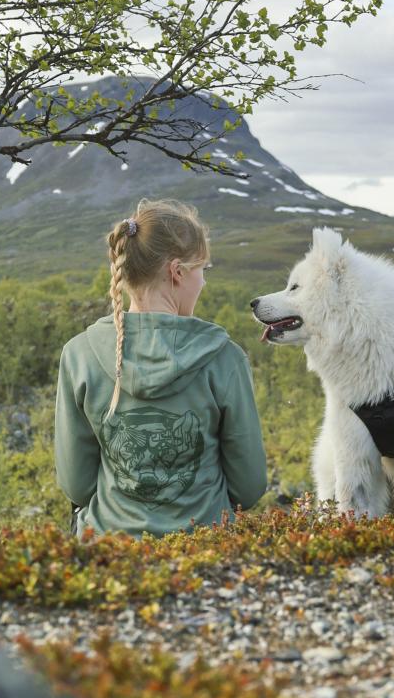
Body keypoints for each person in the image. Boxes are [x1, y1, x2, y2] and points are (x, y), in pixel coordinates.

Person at [55, 200, 267, 537]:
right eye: (203, 270)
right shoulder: (224, 358)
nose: (204, 282)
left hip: (105, 553)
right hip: (206, 550)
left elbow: (76, 485)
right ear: (178, 271)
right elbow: (249, 487)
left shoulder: (79, 354)